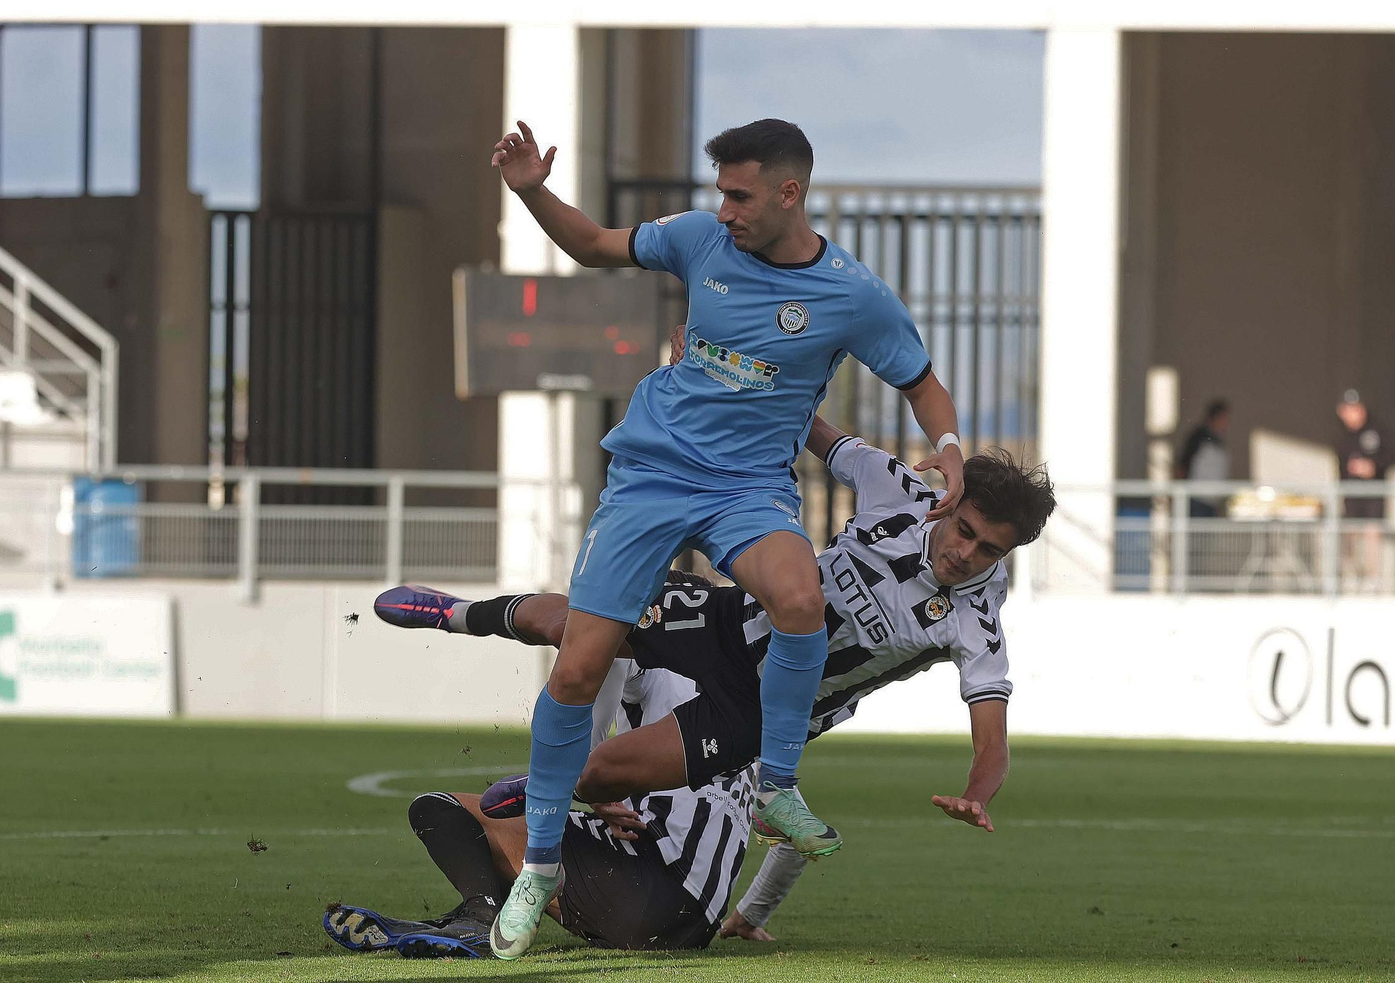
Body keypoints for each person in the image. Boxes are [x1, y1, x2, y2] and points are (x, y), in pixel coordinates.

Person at [487, 115, 965, 958]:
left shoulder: (852, 294)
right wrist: (531, 191)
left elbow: (922, 383)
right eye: (720, 191)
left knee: (799, 597)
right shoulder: (699, 239)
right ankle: (543, 864)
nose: (725, 207)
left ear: (791, 192)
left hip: (748, 490)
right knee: (579, 667)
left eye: (739, 193)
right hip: (650, 477)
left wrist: (952, 449)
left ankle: (776, 784)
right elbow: (596, 245)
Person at [377, 418, 1054, 928]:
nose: (966, 552)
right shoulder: (897, 489)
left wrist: (978, 791)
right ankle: (458, 612)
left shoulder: (975, 623)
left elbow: (992, 741)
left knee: (600, 774)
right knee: (589, 620)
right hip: (733, 619)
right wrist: (721, 364)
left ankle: (542, 787)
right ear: (951, 500)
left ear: (1010, 551)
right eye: (964, 529)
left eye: (990, 549)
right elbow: (805, 423)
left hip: (756, 713)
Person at [325, 656, 757, 958]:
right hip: (693, 926)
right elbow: (796, 839)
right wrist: (750, 914)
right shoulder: (747, 705)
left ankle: (480, 915)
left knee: (438, 809)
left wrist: (588, 785)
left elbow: (592, 691)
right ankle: (474, 915)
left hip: (642, 884)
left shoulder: (650, 649)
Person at [1335, 389, 1392, 584]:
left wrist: (1372, 467)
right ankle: (1350, 579)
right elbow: (1340, 466)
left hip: (1373, 494)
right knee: (1349, 534)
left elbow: (1390, 455)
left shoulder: (1377, 430)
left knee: (1372, 534)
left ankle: (1372, 580)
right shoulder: (1341, 435)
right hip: (1351, 495)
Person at [1176, 399, 1230, 518]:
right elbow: (1183, 465)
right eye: (1223, 418)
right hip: (1197, 499)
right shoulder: (1198, 438)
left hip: (1211, 500)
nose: (1225, 423)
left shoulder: (1219, 441)